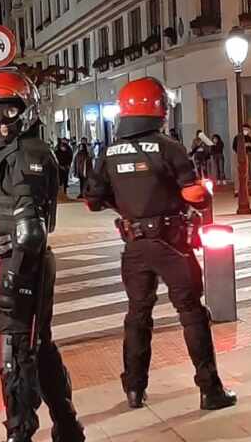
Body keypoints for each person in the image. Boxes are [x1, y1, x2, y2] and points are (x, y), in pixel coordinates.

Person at [85, 77, 237, 412]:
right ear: (159, 110)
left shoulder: (109, 152)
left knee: (138, 314)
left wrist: (126, 209)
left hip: (134, 245)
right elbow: (193, 194)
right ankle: (210, 389)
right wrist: (204, 195)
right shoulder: (168, 147)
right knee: (191, 312)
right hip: (172, 244)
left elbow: (92, 200)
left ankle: (135, 389)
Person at [0, 71, 85, 442]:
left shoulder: (25, 154)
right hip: (25, 262)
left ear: (26, 109)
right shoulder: (17, 151)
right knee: (40, 349)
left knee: (17, 354)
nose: (1, 119)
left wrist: (13, 282)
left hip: (23, 263)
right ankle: (70, 437)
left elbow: (30, 228)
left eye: (9, 110)